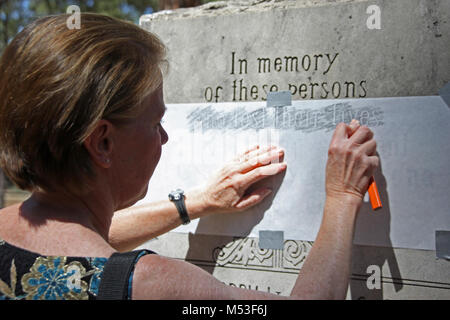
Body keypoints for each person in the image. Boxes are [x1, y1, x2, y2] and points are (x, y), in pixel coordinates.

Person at [0, 13, 378, 300]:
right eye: (155, 122)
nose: (164, 138)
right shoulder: (153, 284)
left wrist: (197, 203)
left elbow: (88, 238)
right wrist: (343, 198)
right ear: (102, 143)